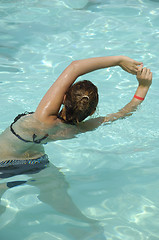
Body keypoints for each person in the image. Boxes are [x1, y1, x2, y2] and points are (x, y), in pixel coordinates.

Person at [0, 56, 152, 222]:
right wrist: (143, 87)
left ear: (64, 98)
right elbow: (122, 114)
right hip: (35, 163)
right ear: (92, 111)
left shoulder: (43, 116)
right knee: (59, 193)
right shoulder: (78, 129)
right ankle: (88, 226)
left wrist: (119, 60)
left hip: (3, 162)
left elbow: (75, 67)